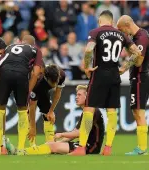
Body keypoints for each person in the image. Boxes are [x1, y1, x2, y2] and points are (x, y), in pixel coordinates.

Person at [70, 10, 143, 156]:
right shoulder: (121, 34)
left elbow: (89, 49)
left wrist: (86, 66)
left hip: (99, 73)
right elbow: (136, 52)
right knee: (111, 113)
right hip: (114, 75)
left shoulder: (95, 32)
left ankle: (81, 147)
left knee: (89, 110)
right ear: (112, 21)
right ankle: (108, 148)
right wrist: (124, 67)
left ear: (99, 20)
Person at [18, 85, 104, 155]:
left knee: (53, 147)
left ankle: (24, 152)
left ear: (87, 96)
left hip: (91, 148)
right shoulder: (87, 111)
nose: (76, 97)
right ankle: (25, 151)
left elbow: (79, 133)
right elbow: (75, 132)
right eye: (76, 94)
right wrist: (61, 141)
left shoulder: (92, 111)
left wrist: (61, 134)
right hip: (84, 144)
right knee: (51, 145)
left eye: (79, 95)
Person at [0, 35, 43, 155]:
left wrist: (0, 85)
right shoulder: (36, 50)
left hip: (4, 73)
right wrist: (28, 90)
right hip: (21, 75)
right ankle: (21, 148)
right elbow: (36, 73)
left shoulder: (10, 46)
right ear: (33, 44)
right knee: (22, 111)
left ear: (21, 42)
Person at [117, 15, 149, 155]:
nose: (122, 32)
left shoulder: (141, 37)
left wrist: (124, 67)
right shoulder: (138, 37)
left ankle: (142, 148)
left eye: (121, 29)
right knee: (137, 111)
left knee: (138, 112)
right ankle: (142, 147)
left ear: (127, 24)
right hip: (137, 78)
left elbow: (138, 61)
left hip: (140, 78)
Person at [28, 64, 65, 144]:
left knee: (48, 114)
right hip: (27, 85)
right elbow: (32, 107)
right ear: (46, 78)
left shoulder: (61, 74)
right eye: (52, 82)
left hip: (44, 89)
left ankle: (50, 143)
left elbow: (57, 94)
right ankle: (32, 144)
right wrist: (33, 128)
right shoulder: (36, 82)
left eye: (56, 82)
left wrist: (51, 111)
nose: (55, 85)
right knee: (27, 114)